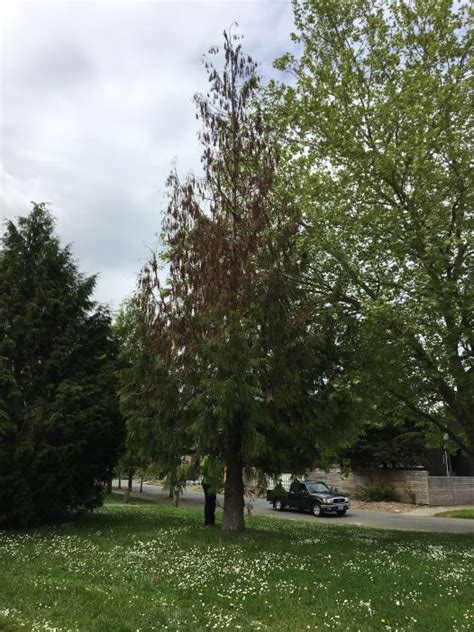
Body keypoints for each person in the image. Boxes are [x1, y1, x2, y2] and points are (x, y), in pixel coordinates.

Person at [201, 455, 222, 526]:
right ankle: (207, 522)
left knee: (212, 503)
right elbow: (203, 470)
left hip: (214, 484)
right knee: (209, 502)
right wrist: (210, 477)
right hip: (208, 483)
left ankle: (211, 521)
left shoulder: (218, 460)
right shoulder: (207, 458)